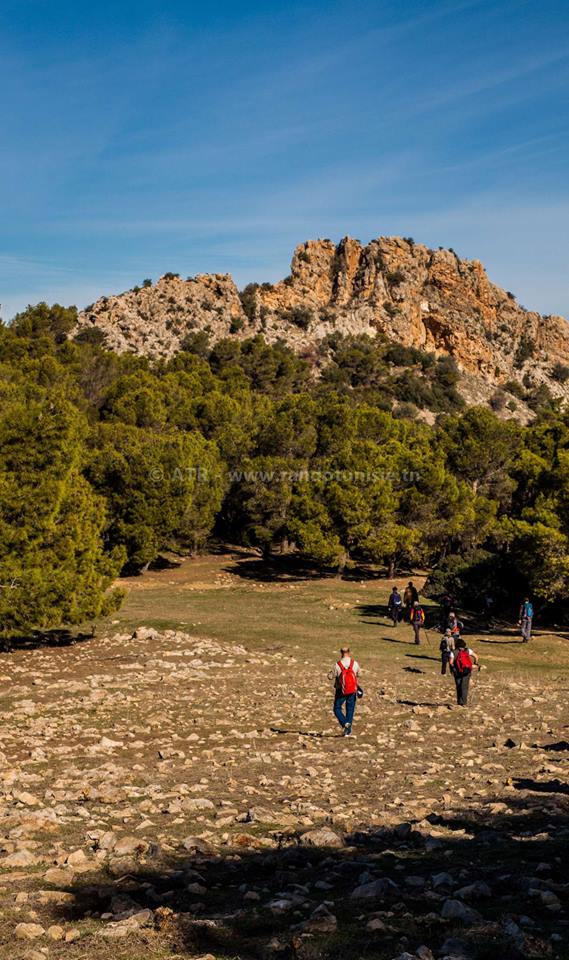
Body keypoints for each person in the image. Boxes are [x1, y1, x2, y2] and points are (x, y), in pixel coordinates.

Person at [331, 646, 360, 736]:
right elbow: (359, 674)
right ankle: (348, 731)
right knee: (350, 709)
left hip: (341, 690)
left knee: (336, 708)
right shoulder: (354, 663)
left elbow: (330, 676)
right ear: (349, 652)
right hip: (352, 690)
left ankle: (344, 723)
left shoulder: (337, 664)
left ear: (341, 653)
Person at [449, 637, 479, 706]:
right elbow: (476, 656)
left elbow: (451, 662)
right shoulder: (468, 650)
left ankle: (459, 702)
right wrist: (475, 664)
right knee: (464, 686)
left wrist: (453, 669)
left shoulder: (453, 652)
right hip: (467, 671)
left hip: (457, 672)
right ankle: (464, 703)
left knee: (459, 686)